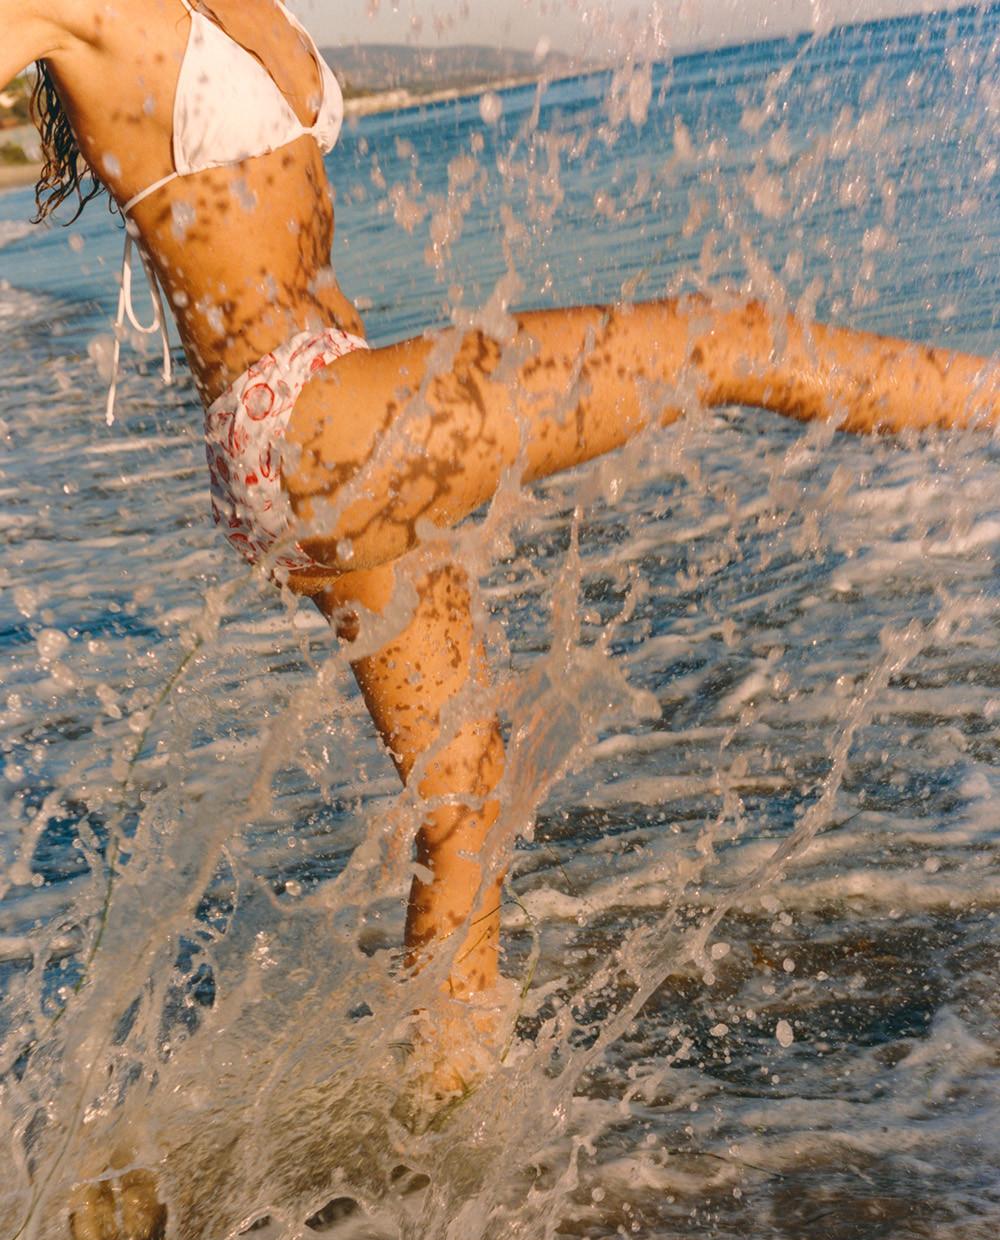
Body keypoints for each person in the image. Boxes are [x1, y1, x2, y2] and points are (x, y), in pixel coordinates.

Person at [5, 0, 998, 1120]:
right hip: (306, 426)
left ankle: (443, 1122)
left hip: (325, 416)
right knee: (727, 340)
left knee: (465, 788)